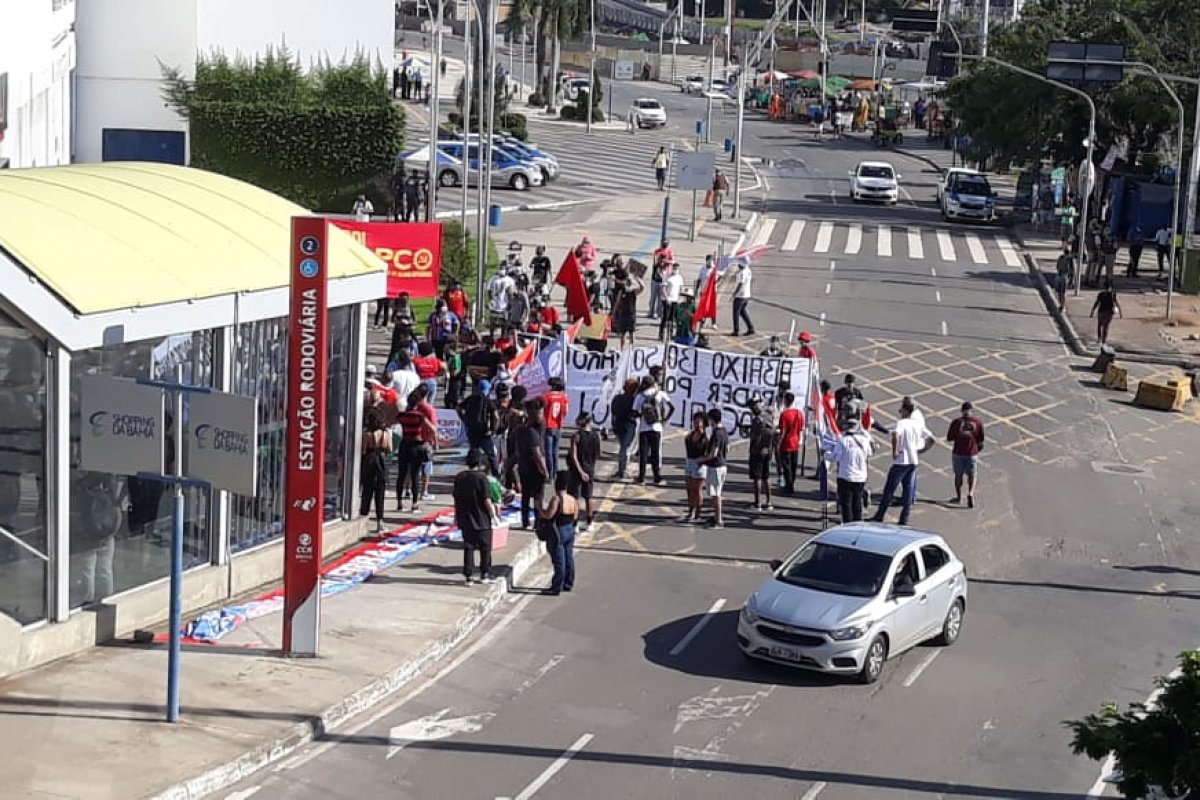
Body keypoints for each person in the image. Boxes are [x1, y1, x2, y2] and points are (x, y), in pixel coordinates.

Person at [871, 397, 935, 526]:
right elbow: (931, 439)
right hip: (913, 461)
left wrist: (894, 451)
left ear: (906, 411)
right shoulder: (917, 423)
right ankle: (904, 519)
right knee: (908, 491)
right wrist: (922, 450)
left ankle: (879, 515)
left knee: (889, 489)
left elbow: (895, 435)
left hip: (902, 461)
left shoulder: (902, 423)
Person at [453, 449, 498, 585]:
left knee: (468, 546)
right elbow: (487, 500)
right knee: (485, 547)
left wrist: (456, 515)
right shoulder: (482, 478)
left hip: (465, 517)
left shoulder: (460, 477)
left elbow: (456, 499)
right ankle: (484, 573)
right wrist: (493, 515)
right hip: (482, 518)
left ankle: (469, 575)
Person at [822, 415, 875, 523]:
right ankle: (858, 523)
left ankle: (848, 524)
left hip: (845, 476)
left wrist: (826, 454)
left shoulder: (843, 441)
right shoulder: (864, 441)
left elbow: (836, 457)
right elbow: (869, 453)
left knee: (846, 503)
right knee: (857, 501)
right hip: (860, 477)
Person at [396, 385, 439, 512]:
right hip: (417, 444)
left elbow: (392, 420)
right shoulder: (420, 416)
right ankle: (414, 504)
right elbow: (433, 428)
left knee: (402, 474)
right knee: (415, 475)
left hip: (405, 444)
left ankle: (399, 503)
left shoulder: (402, 416)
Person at [538, 472, 579, 595]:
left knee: (559, 559)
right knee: (568, 557)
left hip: (558, 531)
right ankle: (568, 582)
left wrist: (539, 508)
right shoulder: (573, 500)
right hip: (570, 529)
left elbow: (548, 515)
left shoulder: (557, 499)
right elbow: (575, 516)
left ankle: (557, 586)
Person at [515, 399, 550, 529]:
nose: (542, 416)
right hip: (534, 468)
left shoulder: (522, 429)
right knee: (537, 496)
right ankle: (538, 520)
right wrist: (545, 471)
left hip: (523, 467)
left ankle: (525, 521)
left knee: (525, 495)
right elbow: (537, 454)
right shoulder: (532, 433)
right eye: (540, 412)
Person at [633, 375, 674, 485]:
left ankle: (641, 477)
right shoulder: (660, 394)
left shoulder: (640, 396)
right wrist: (664, 419)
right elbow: (672, 407)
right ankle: (657, 477)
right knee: (656, 453)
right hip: (657, 427)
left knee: (643, 454)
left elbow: (634, 412)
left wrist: (641, 415)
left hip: (644, 428)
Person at [946, 401, 985, 508]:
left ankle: (958, 497)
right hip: (971, 453)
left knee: (958, 475)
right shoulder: (978, 422)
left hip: (958, 452)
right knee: (972, 474)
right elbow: (981, 439)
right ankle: (970, 493)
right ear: (971, 411)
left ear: (962, 411)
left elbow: (949, 437)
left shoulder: (956, 422)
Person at [459, 379, 500, 475]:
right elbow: (496, 417)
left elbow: (458, 408)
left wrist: (464, 419)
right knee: (491, 455)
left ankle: (473, 472)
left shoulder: (471, 398)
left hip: (472, 431)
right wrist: (493, 430)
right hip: (484, 432)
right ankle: (496, 475)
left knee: (474, 452)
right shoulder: (488, 401)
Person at [359, 409, 392, 532]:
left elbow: (363, 450)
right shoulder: (386, 434)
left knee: (367, 492)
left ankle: (363, 519)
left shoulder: (366, 434)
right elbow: (389, 449)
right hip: (381, 462)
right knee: (380, 493)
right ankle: (380, 522)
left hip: (369, 461)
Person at [567, 412, 601, 531]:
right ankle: (589, 521)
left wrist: (580, 471)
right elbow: (598, 453)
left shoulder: (576, 436)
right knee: (588, 496)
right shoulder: (596, 435)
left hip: (577, 469)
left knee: (575, 496)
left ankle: (574, 522)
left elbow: (573, 456)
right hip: (590, 468)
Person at [744, 398, 776, 510]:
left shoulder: (757, 420)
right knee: (766, 477)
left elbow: (755, 437)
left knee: (757, 478)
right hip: (768, 450)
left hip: (757, 451)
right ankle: (769, 502)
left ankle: (757, 503)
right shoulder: (768, 416)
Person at [701, 407, 729, 528]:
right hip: (722, 465)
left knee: (716, 494)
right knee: (715, 492)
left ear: (712, 419)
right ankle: (715, 516)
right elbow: (727, 448)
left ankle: (719, 520)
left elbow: (714, 453)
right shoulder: (724, 431)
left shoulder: (716, 433)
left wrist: (702, 460)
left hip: (716, 466)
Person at [681, 411, 709, 523]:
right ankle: (690, 511)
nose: (697, 423)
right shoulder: (689, 436)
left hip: (699, 465)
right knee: (689, 489)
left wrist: (701, 460)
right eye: (695, 421)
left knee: (697, 490)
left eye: (699, 421)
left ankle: (698, 514)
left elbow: (708, 454)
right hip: (689, 462)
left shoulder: (705, 439)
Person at [610, 378, 639, 479]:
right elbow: (636, 413)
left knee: (623, 447)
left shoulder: (617, 398)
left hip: (618, 424)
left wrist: (613, 425)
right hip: (629, 425)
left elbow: (613, 411)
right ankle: (623, 470)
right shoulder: (634, 399)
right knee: (626, 448)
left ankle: (621, 469)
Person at [777, 392, 804, 495]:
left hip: (786, 443)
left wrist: (779, 442)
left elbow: (782, 431)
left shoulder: (784, 414)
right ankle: (791, 483)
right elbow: (801, 429)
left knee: (786, 466)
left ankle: (789, 486)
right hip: (795, 442)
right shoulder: (799, 413)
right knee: (793, 465)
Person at [543, 377, 569, 480]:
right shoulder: (564, 397)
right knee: (555, 450)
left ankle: (550, 473)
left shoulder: (547, 396)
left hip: (548, 425)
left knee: (548, 451)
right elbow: (566, 411)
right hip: (558, 425)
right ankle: (555, 471)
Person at [412, 341, 446, 406]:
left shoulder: (416, 361)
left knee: (419, 402)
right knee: (430, 404)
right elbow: (444, 366)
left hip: (420, 381)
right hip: (432, 381)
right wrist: (439, 374)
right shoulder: (435, 361)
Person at [658, 262, 684, 340]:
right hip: (667, 299)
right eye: (674, 268)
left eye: (677, 269)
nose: (675, 270)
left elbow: (681, 288)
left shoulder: (679, 277)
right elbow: (663, 288)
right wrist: (666, 298)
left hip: (675, 300)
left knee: (672, 318)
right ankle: (661, 333)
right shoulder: (667, 276)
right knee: (665, 317)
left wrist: (680, 298)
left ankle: (671, 333)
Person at [732, 262, 755, 336]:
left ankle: (736, 330)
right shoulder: (748, 270)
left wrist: (734, 293)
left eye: (739, 264)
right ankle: (750, 327)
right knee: (742, 312)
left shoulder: (742, 273)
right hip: (746, 295)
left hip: (740, 296)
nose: (738, 266)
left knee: (736, 313)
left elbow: (740, 284)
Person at [1055, 244, 1075, 312]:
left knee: (1063, 292)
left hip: (1065, 276)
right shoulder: (1061, 257)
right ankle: (1061, 305)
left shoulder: (1070, 259)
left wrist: (1071, 279)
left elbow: (1072, 270)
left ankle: (1062, 306)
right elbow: (1057, 266)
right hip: (1059, 275)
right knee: (1058, 292)